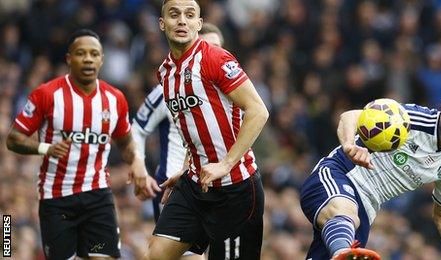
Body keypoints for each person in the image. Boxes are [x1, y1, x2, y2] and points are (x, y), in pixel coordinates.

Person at [5, 29, 160, 259]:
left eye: (94, 54)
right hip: (57, 199)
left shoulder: (114, 99)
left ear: (101, 59)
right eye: (81, 53)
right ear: (69, 58)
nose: (88, 58)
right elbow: (13, 139)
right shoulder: (47, 95)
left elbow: (126, 142)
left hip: (97, 196)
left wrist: (138, 163)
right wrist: (45, 148)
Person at [300, 80, 441, 260]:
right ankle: (343, 252)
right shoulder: (411, 118)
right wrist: (350, 146)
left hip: (365, 211)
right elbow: (349, 116)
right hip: (338, 174)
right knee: (346, 217)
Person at [147, 0, 269, 259]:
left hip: (236, 188)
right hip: (194, 185)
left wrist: (225, 164)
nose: (182, 20)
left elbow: (258, 111)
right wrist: (185, 169)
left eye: (189, 15)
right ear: (162, 24)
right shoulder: (164, 73)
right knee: (156, 255)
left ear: (198, 24)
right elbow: (194, 130)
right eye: (174, 15)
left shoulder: (215, 57)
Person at [131, 22, 224, 260]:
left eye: (218, 47)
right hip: (176, 186)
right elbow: (137, 128)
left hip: (218, 187)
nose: (213, 52)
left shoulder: (231, 91)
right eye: (208, 46)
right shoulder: (168, 87)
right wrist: (139, 166)